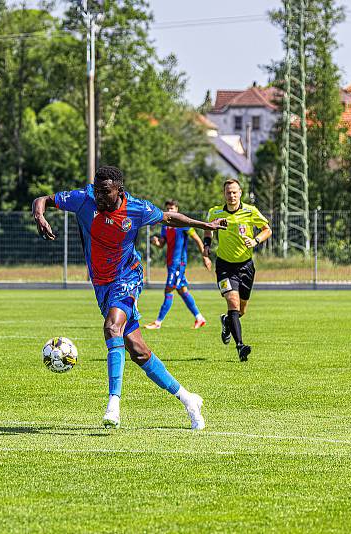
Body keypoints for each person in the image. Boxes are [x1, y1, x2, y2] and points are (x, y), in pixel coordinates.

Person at [32, 165, 226, 429]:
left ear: (119, 190)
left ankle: (114, 404)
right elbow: (42, 199)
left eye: (105, 192)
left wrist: (205, 225)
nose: (99, 197)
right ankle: (188, 398)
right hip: (102, 285)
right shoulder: (84, 199)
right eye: (97, 191)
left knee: (112, 327)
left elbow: (169, 218)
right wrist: (39, 215)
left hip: (128, 277)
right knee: (138, 351)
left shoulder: (137, 208)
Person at [203, 178, 272, 362]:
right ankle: (240, 346)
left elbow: (267, 230)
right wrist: (207, 246)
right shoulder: (215, 212)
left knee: (240, 311)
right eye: (228, 192)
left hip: (246, 266)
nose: (231, 195)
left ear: (240, 193)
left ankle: (227, 321)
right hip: (225, 266)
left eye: (234, 192)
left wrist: (255, 240)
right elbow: (208, 229)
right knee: (232, 303)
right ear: (224, 194)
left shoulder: (250, 211)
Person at [144, 199, 211, 330]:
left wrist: (205, 256)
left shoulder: (183, 224)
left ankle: (158, 322)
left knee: (168, 289)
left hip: (178, 264)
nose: (170, 211)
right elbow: (162, 244)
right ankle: (199, 318)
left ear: (177, 209)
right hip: (170, 264)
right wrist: (156, 242)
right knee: (182, 290)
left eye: (172, 208)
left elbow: (197, 239)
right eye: (168, 209)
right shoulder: (165, 225)